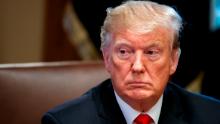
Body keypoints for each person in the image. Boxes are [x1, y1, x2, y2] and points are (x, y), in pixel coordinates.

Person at [42, 1, 220, 124]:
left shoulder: (212, 115)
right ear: (106, 58)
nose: (137, 67)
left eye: (151, 52)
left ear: (173, 61)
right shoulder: (64, 121)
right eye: (124, 52)